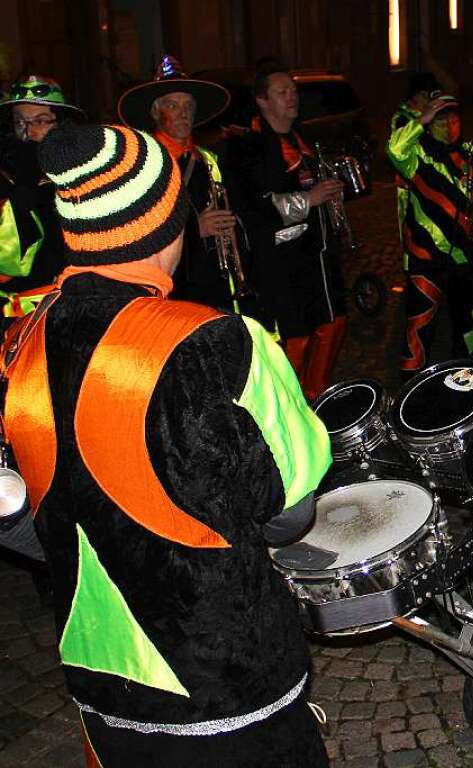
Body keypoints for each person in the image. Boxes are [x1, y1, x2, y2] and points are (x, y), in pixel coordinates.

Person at [0, 121, 331, 766]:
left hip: (102, 679)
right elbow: (291, 515)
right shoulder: (223, 344)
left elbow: (23, 517)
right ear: (166, 222)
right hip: (227, 681)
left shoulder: (20, 345)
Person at [224, 59, 348, 400]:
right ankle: (289, 406)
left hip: (318, 256)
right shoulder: (245, 146)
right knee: (297, 337)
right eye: (282, 92)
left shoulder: (301, 137)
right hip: (281, 263)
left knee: (332, 323)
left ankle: (315, 398)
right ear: (263, 100)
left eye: (293, 91)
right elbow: (251, 206)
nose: (292, 98)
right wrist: (308, 200)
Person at [387, 93, 473, 376]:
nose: (449, 124)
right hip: (426, 257)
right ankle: (412, 388)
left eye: (453, 116)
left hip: (465, 255)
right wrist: (420, 120)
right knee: (419, 329)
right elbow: (395, 149)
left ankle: (466, 383)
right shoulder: (418, 153)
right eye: (441, 118)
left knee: (468, 328)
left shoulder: (472, 153)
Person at [117, 55, 246, 313]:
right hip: (175, 292)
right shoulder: (143, 164)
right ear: (156, 112)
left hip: (216, 284)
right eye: (173, 105)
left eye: (188, 105)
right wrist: (194, 229)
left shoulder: (208, 159)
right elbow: (139, 234)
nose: (183, 113)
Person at [0, 76, 84, 319]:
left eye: (40, 121)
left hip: (69, 308)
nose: (28, 132)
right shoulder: (6, 178)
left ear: (60, 123)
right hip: (14, 314)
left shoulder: (80, 173)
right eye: (19, 122)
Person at [390, 72, 440, 239]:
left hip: (432, 178)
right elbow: (399, 148)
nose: (427, 100)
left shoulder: (432, 114)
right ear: (414, 96)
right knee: (415, 231)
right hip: (411, 183)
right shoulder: (402, 118)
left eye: (429, 95)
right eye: (423, 95)